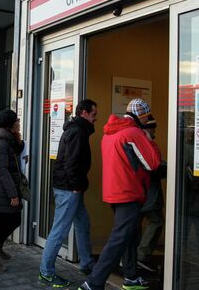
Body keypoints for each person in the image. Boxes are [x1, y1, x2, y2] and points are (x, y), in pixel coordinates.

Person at [79, 98, 161, 290]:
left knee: (130, 235)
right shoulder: (133, 132)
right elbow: (153, 163)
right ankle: (93, 283)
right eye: (146, 117)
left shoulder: (111, 131)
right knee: (119, 239)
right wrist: (150, 139)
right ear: (140, 117)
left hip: (114, 192)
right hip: (129, 192)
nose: (147, 121)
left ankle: (131, 277)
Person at [39, 99, 98, 288]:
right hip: (69, 188)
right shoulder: (77, 132)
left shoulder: (77, 130)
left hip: (71, 187)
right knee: (59, 230)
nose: (96, 118)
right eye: (94, 114)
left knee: (83, 223)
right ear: (83, 113)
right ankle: (46, 272)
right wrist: (75, 186)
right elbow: (72, 163)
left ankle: (87, 263)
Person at [0, 109, 24, 272]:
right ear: (9, 125)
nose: (19, 122)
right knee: (4, 224)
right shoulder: (0, 144)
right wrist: (13, 195)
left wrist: (20, 142)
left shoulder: (8, 140)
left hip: (8, 188)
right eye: (16, 121)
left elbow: (14, 154)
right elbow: (2, 170)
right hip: (3, 191)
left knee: (14, 221)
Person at [136, 117, 166, 273]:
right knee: (156, 221)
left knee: (136, 223)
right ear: (147, 129)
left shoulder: (136, 140)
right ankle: (141, 255)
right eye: (153, 128)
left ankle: (131, 256)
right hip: (149, 193)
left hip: (139, 192)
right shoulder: (146, 143)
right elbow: (153, 166)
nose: (155, 130)